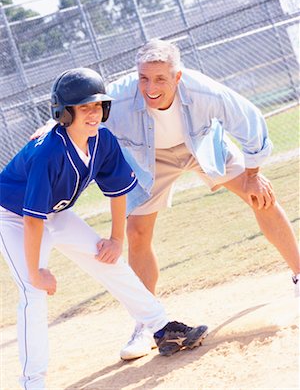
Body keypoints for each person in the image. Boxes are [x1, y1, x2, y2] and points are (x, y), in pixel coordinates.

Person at [32, 39, 300, 361]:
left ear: (178, 77)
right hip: (151, 159)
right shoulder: (121, 95)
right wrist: (48, 129)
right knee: (137, 233)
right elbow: (81, 110)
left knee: (262, 197)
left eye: (160, 78)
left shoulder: (204, 92)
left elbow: (251, 122)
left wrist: (254, 174)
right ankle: (147, 325)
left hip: (201, 146)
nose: (150, 87)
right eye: (144, 78)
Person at [0, 68, 208, 390]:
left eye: (98, 106)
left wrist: (115, 239)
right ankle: (33, 383)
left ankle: (161, 327)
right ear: (64, 112)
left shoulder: (102, 141)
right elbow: (32, 219)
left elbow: (117, 191)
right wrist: (36, 270)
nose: (93, 113)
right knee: (33, 292)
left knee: (108, 259)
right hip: (13, 217)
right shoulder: (48, 152)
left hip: (57, 212)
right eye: (84, 107)